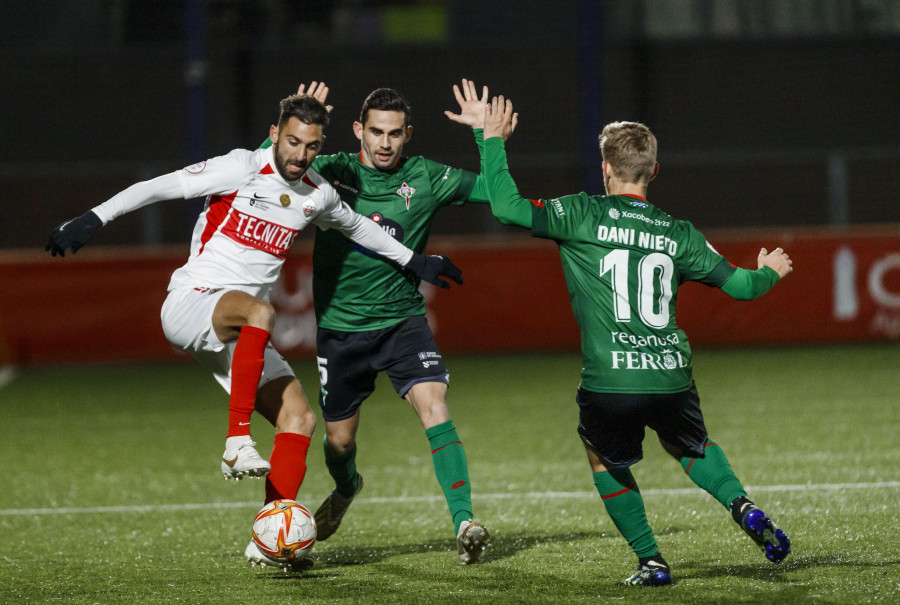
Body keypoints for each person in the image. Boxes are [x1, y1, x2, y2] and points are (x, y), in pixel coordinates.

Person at [45, 89, 462, 570]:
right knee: (262, 313)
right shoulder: (241, 167)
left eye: (310, 146)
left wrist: (415, 259)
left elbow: (357, 227)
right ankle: (236, 442)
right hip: (191, 304)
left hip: (240, 334)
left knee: (300, 419)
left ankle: (271, 537)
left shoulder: (317, 192)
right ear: (273, 136)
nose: (299, 154)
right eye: (291, 142)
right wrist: (93, 218)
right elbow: (157, 187)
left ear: (320, 146)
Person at [479, 96, 793, 586]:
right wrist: (771, 271)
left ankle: (652, 561)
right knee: (690, 444)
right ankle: (742, 504)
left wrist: (492, 139)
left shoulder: (580, 213)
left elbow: (505, 206)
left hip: (610, 379)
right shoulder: (678, 232)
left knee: (601, 454)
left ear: (606, 168)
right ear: (654, 170)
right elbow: (742, 287)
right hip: (669, 373)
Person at [259, 79, 492, 565]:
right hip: (341, 331)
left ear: (408, 134)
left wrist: (485, 136)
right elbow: (266, 170)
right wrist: (295, 120)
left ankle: (464, 520)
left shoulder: (427, 176)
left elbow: (496, 190)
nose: (385, 143)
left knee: (436, 408)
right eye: (376, 132)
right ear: (356, 130)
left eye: (394, 134)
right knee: (339, 441)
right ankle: (346, 489)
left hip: (403, 322)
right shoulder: (333, 170)